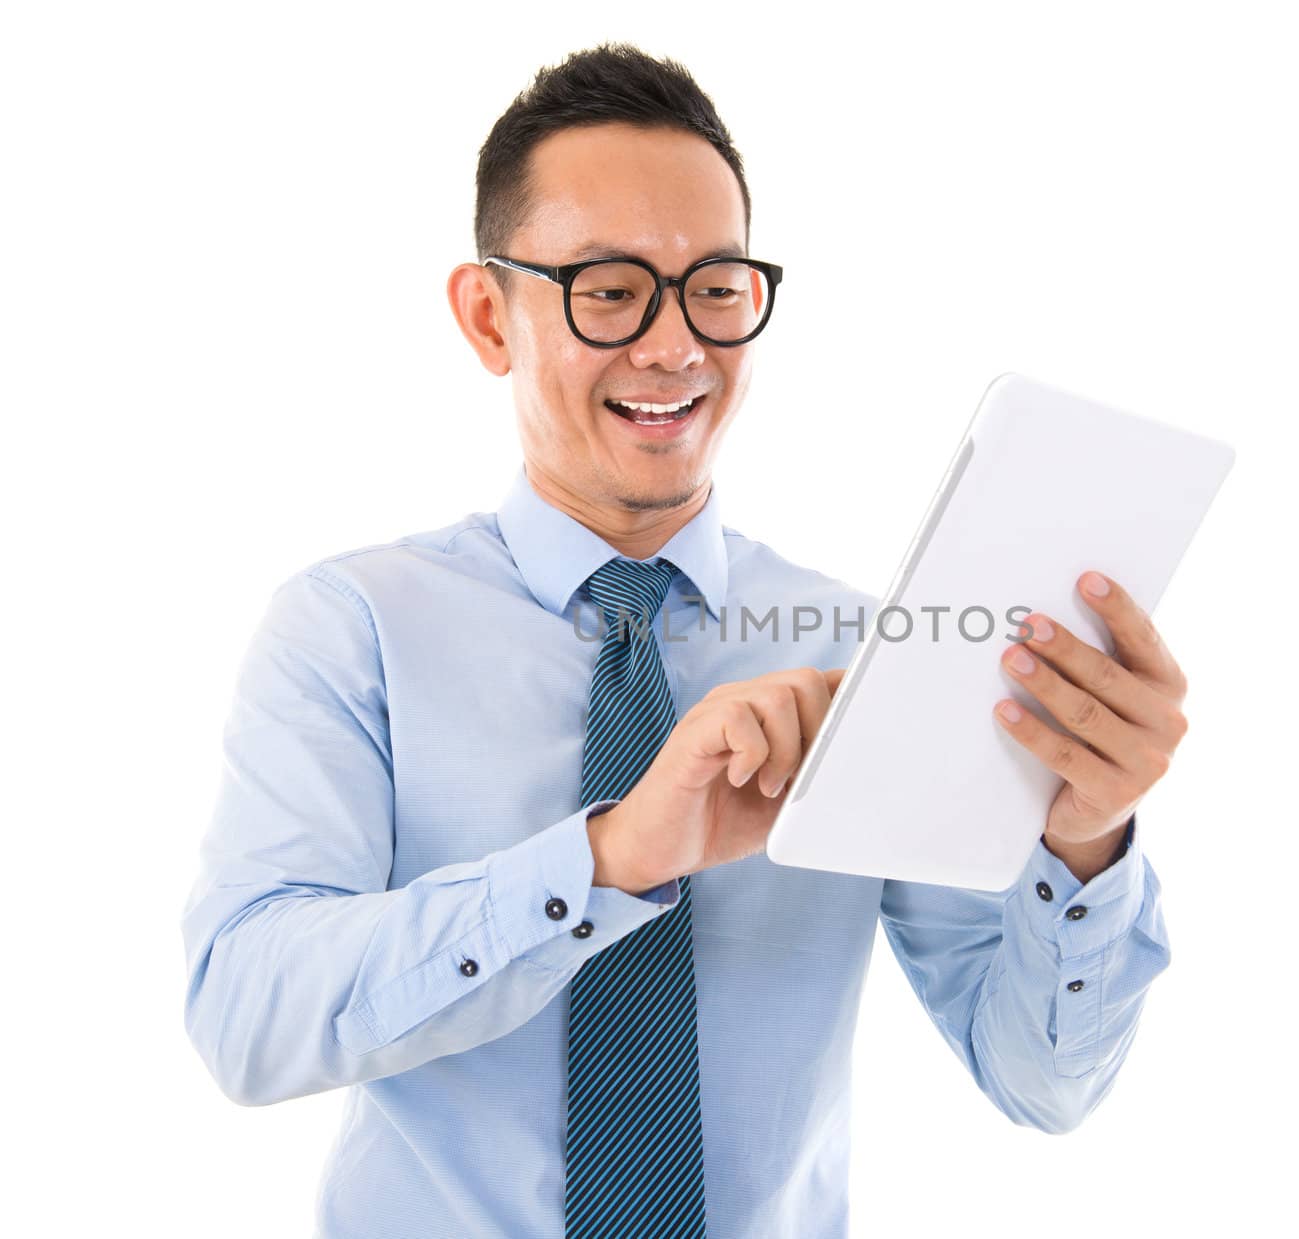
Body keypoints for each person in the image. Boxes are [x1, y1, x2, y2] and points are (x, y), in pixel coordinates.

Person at [180, 41, 1186, 1239]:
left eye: (715, 285)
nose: (676, 347)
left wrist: (1081, 846)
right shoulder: (352, 628)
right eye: (608, 289)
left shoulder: (864, 651)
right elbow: (246, 1022)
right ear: (486, 315)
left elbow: (1042, 1080)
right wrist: (605, 860)